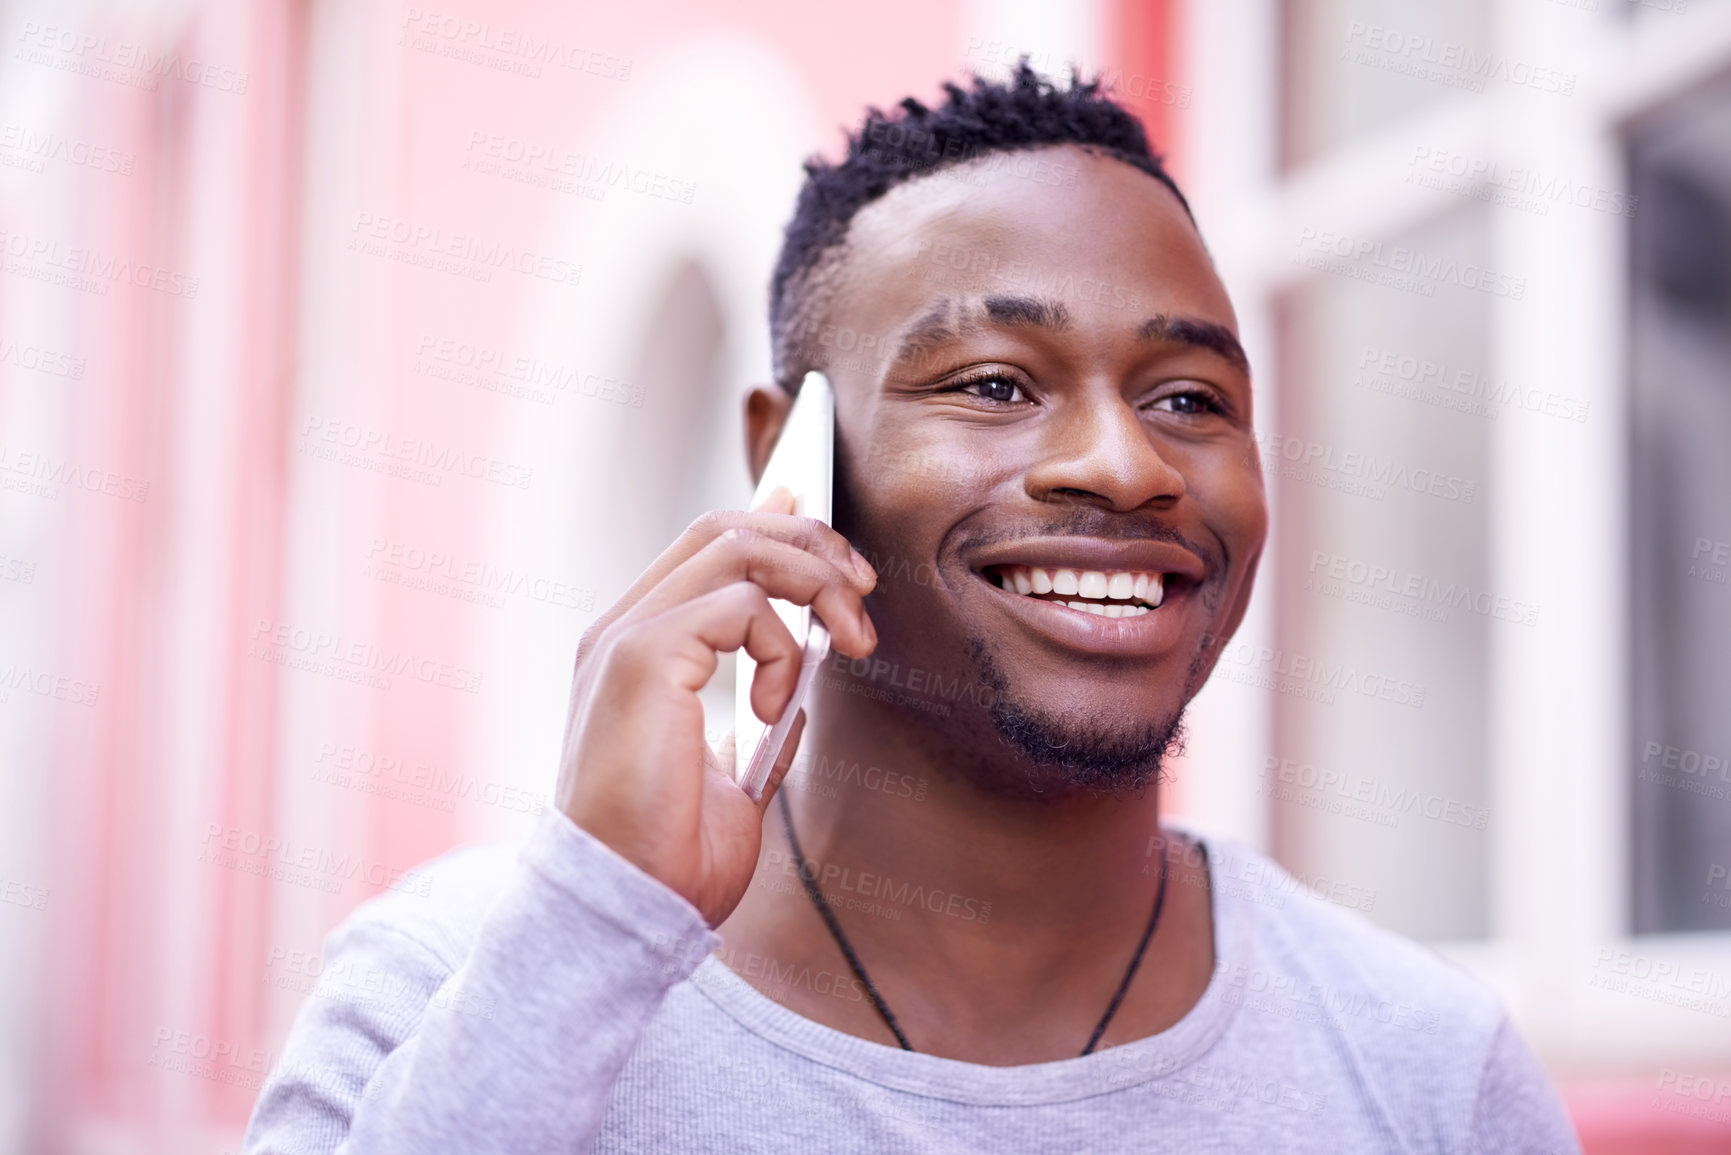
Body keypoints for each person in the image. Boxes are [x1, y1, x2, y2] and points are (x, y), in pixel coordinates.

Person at [243, 64, 1582, 1154]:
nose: (1126, 465)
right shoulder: (453, 984)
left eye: (1189, 399)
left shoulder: (1423, 1075)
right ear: (792, 460)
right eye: (996, 383)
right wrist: (592, 927)